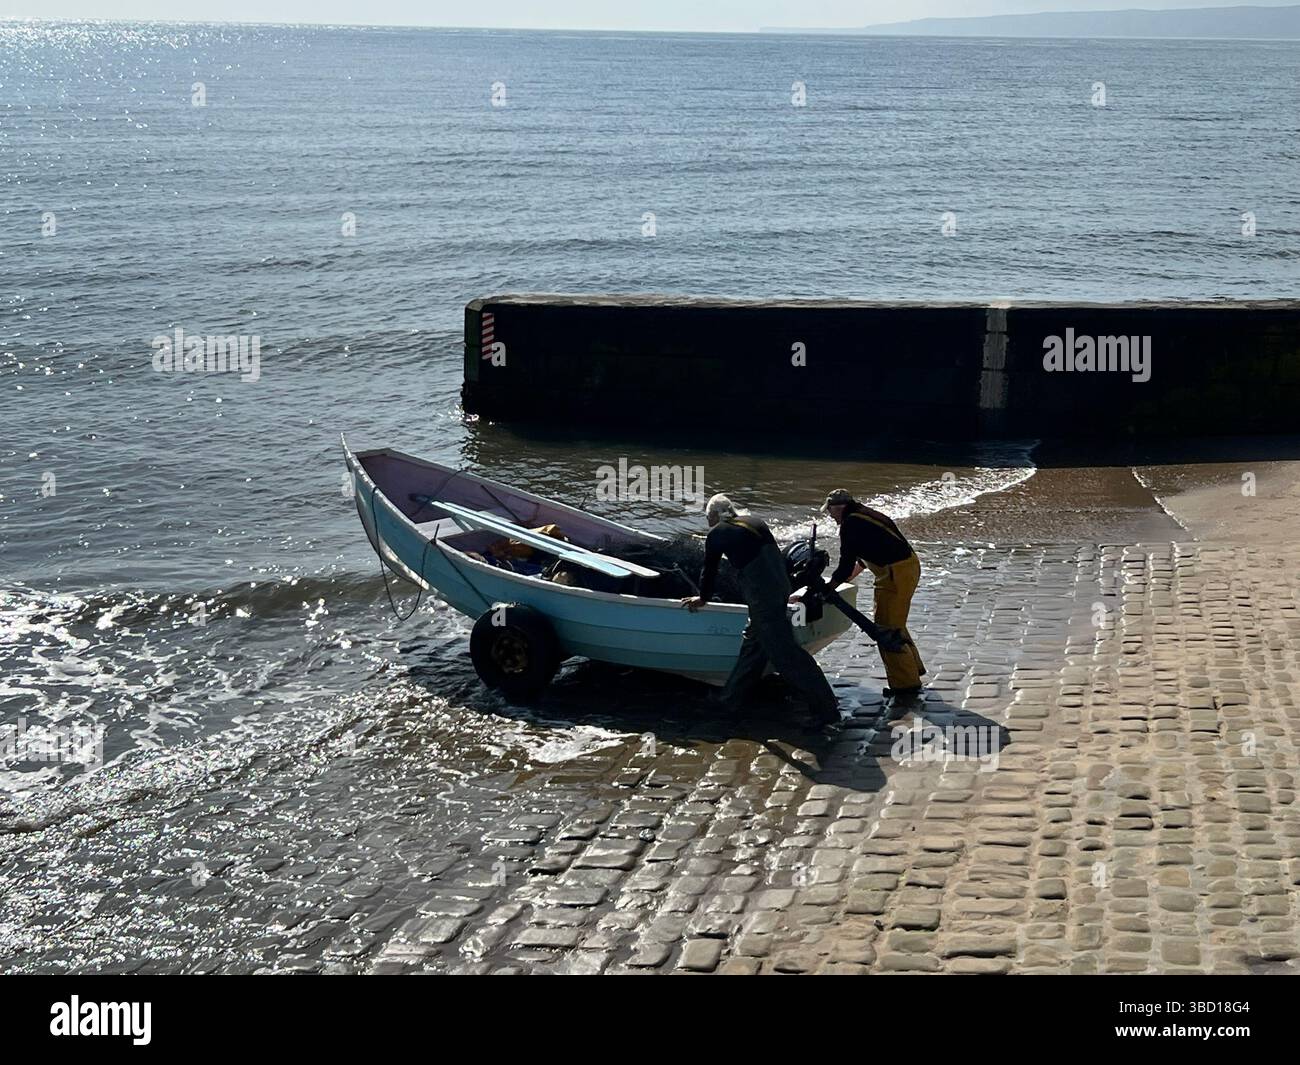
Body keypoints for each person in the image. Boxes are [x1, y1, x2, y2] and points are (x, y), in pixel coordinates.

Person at [681, 494, 840, 724]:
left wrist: (702, 599)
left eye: (708, 517)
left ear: (714, 516)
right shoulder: (755, 521)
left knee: (786, 655)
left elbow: (710, 570)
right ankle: (728, 701)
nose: (708, 522)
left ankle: (826, 709)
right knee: (753, 648)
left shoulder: (717, 534)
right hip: (781, 586)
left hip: (762, 597)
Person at [822, 489, 926, 706]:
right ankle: (912, 668)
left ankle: (905, 685)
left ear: (837, 508)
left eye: (830, 512)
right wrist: (847, 578)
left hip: (894, 574)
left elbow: (845, 562)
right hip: (906, 567)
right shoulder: (865, 514)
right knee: (895, 623)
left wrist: (830, 586)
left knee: (886, 629)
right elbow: (864, 555)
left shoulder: (850, 524)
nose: (830, 516)